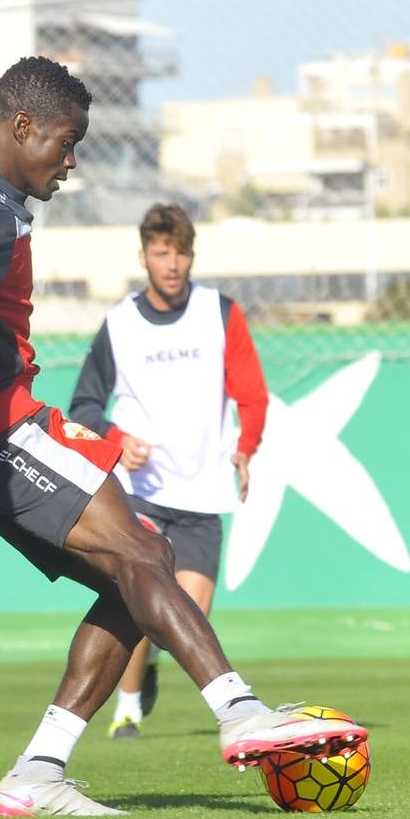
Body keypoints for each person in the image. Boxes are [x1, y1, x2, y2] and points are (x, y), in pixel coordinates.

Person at [0, 57, 365, 817]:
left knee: (137, 574)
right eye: (65, 143)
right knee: (142, 556)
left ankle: (39, 770)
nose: (71, 162)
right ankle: (240, 713)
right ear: (21, 127)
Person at [67, 203, 268, 740]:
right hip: (141, 494)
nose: (172, 264)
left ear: (191, 256)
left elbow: (251, 393)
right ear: (144, 257)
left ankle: (151, 664)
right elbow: (84, 405)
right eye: (161, 253)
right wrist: (116, 440)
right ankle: (128, 708)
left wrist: (246, 449)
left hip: (202, 491)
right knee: (141, 600)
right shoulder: (120, 324)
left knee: (189, 613)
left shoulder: (221, 312)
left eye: (180, 253)